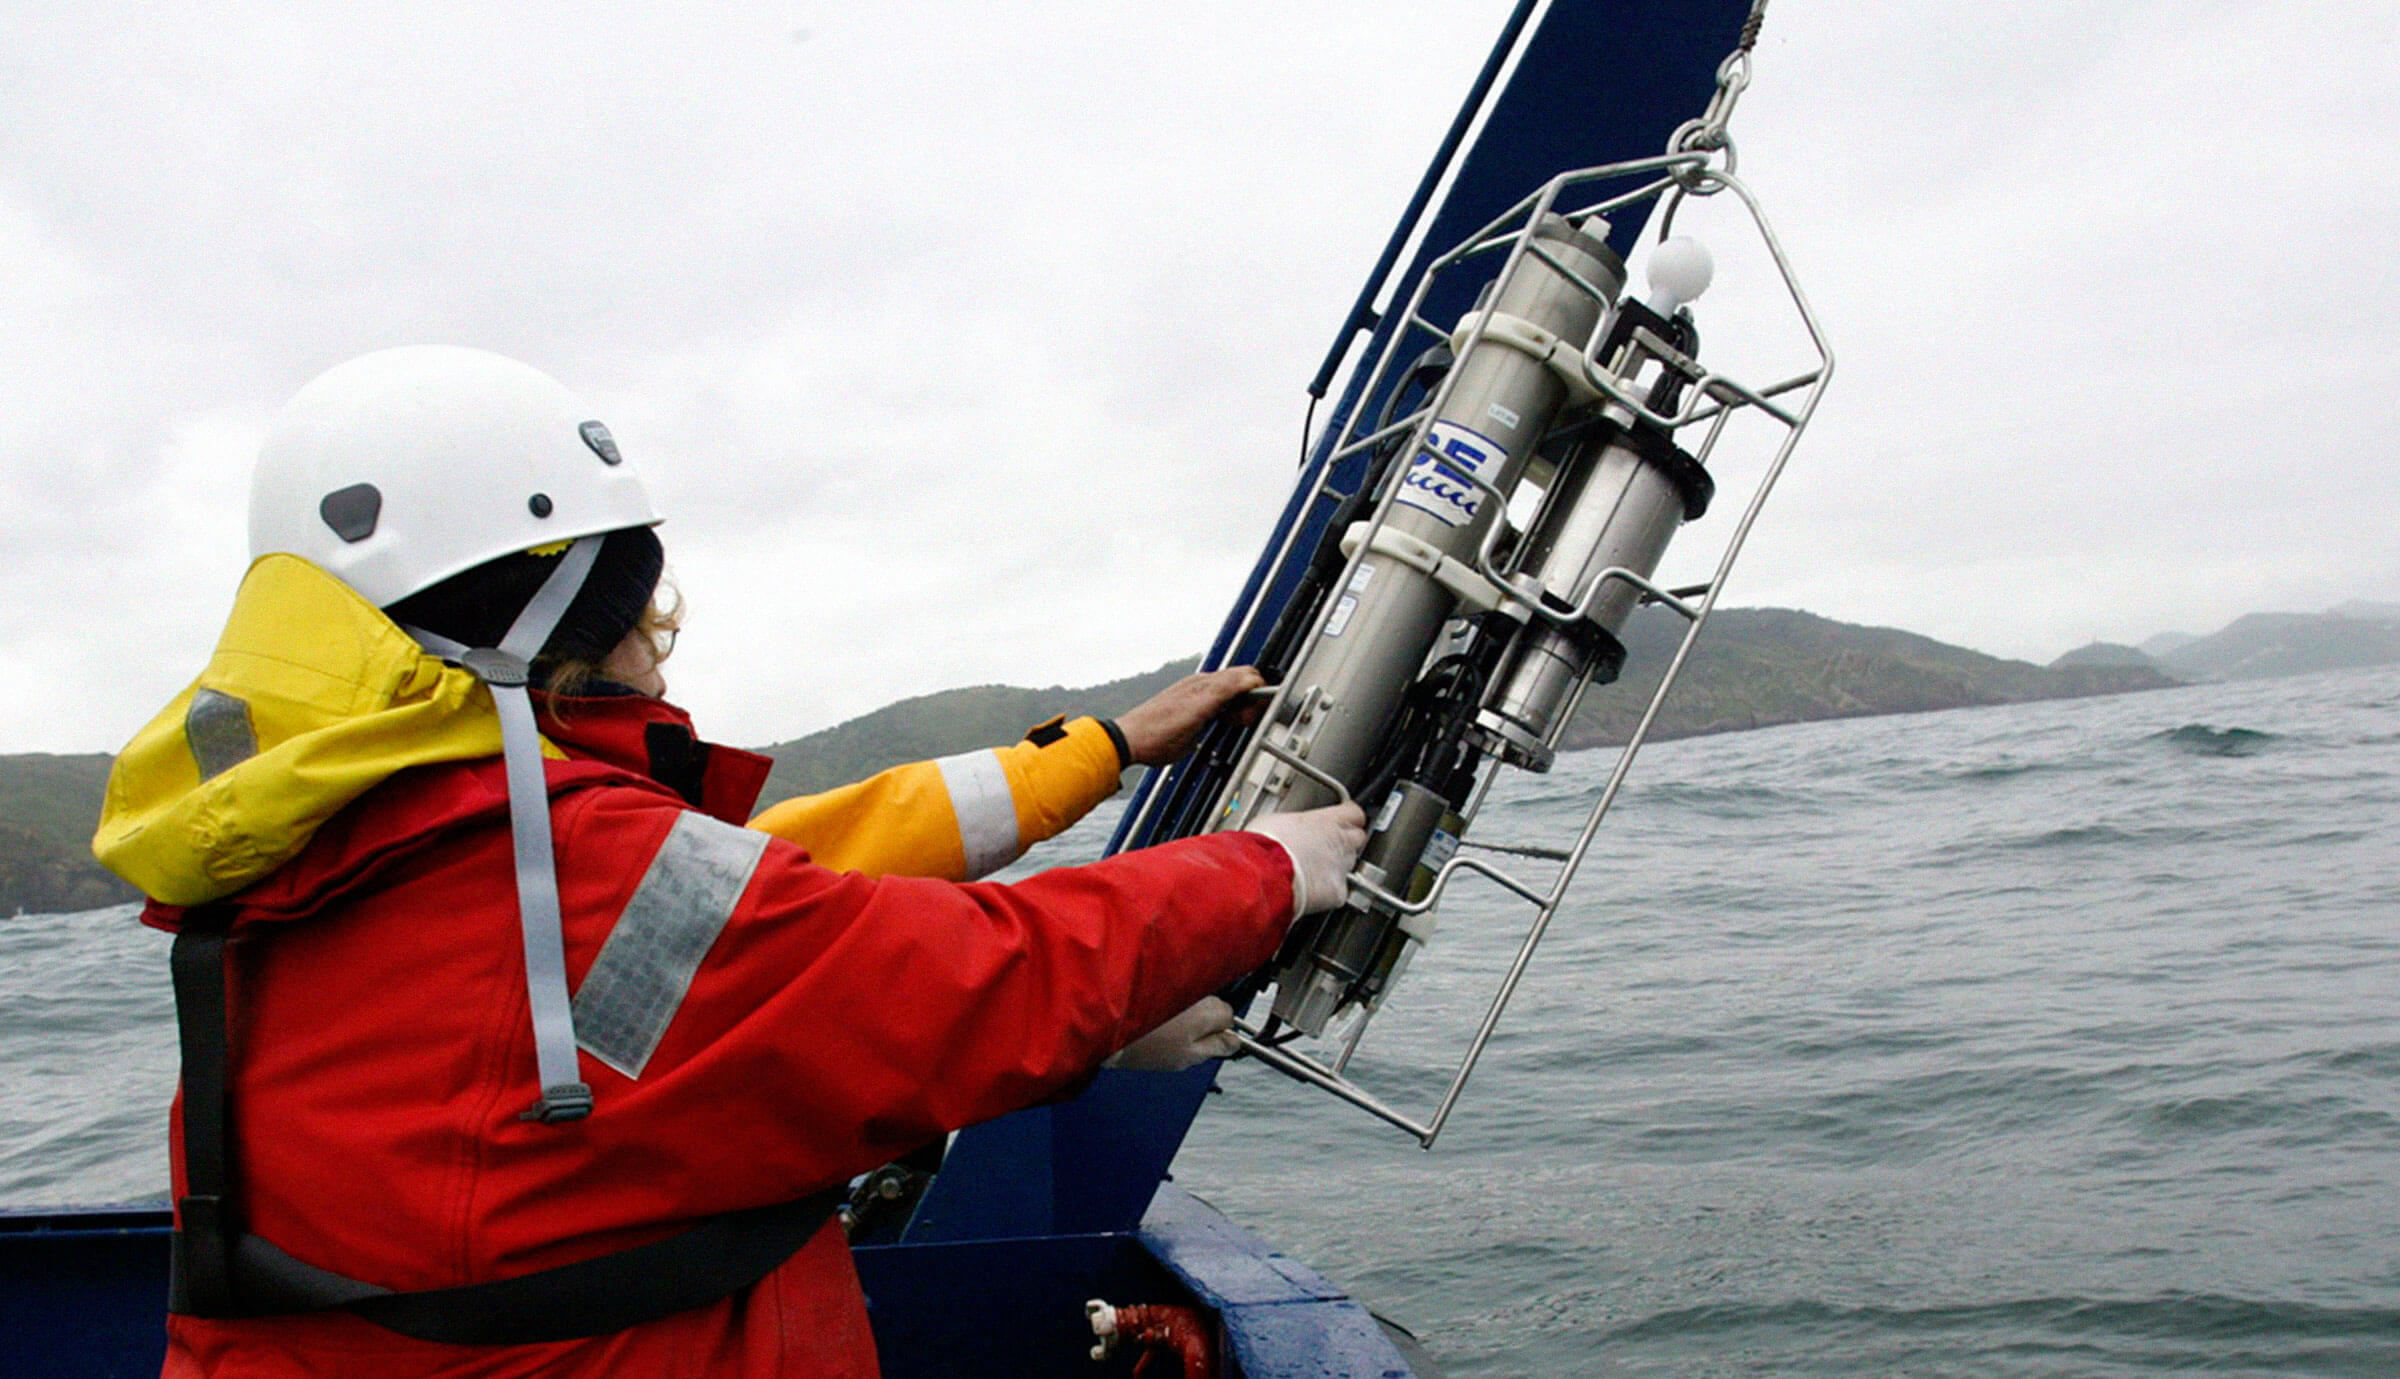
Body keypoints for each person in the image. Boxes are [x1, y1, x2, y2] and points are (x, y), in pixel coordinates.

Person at [93, 346, 1367, 1378]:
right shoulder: (574, 858)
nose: (660, 648)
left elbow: (787, 885)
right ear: (556, 611)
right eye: (637, 611)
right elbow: (952, 982)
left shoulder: (356, 841)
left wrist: (1103, 746)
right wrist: (1264, 867)